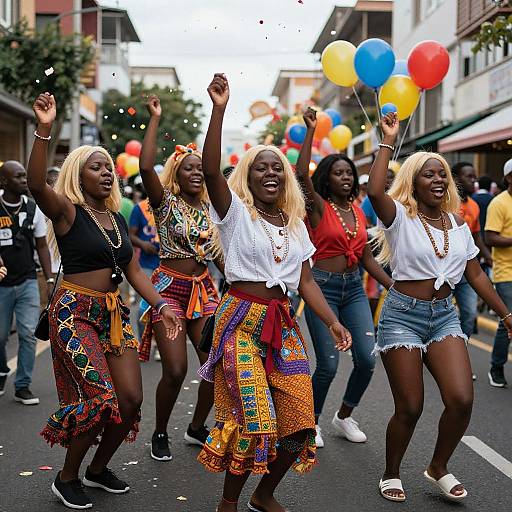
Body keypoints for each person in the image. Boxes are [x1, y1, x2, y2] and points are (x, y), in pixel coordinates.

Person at [197, 74, 351, 512]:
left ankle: (264, 495)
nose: (270, 172)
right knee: (256, 421)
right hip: (240, 321)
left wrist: (332, 321)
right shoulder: (235, 215)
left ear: (285, 179)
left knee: (302, 421)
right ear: (248, 175)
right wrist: (219, 110)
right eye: (261, 166)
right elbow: (210, 170)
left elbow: (305, 282)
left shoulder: (298, 226)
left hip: (281, 323)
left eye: (276, 167)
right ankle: (229, 502)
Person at [27, 92, 180, 510]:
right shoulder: (67, 211)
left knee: (131, 399)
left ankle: (97, 470)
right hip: (73, 314)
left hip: (113, 315)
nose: (106, 173)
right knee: (100, 397)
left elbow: (132, 271)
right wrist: (44, 128)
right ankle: (67, 476)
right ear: (79, 174)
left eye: (109, 167)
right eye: (96, 167)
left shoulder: (114, 219)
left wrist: (162, 305)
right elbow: (36, 183)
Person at [368, 112, 512, 503]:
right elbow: (376, 191)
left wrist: (505, 313)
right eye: (429, 174)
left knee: (462, 399)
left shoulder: (457, 223)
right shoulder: (400, 217)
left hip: (443, 316)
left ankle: (438, 467)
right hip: (402, 316)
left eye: (442, 175)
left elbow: (476, 276)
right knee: (410, 406)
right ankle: (391, 471)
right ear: (413, 182)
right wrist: (387, 139)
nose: (438, 180)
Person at [295, 108, 393, 448]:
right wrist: (310, 131)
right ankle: (312, 421)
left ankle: (344, 415)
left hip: (353, 291)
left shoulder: (356, 210)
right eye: (338, 173)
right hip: (320, 289)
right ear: (327, 178)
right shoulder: (319, 206)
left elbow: (366, 257)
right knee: (328, 364)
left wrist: (394, 287)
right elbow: (300, 176)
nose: (346, 178)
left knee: (367, 358)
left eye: (349, 173)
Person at [138, 94, 222, 462]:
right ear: (177, 173)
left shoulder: (211, 207)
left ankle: (196, 427)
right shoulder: (165, 202)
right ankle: (159, 431)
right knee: (175, 369)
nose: (197, 172)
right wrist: (154, 119)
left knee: (215, 364)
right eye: (189, 167)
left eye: (200, 168)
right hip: (169, 289)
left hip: (203, 289)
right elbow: (144, 169)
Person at [0, 160, 53, 405]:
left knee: (28, 334)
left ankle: (23, 385)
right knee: (0, 336)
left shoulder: (34, 208)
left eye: (24, 176)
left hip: (28, 281)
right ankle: (2, 370)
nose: (24, 180)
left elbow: (42, 244)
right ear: (4, 181)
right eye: (18, 177)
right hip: (1, 285)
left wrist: (50, 277)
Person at [451, 163, 493, 365]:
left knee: (468, 316)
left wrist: (488, 256)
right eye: (468, 176)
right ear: (456, 179)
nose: (473, 181)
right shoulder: (446, 202)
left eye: (474, 177)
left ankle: (458, 359)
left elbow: (476, 237)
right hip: (445, 273)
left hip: (467, 272)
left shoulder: (474, 206)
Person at [485, 159, 512, 388]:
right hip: (506, 273)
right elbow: (490, 237)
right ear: (509, 177)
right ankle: (496, 366)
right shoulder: (498, 203)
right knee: (508, 320)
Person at [128, 197, 160, 339]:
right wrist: (143, 244)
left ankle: (160, 344)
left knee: (165, 305)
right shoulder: (139, 208)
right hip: (146, 265)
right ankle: (144, 340)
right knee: (145, 305)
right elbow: (130, 235)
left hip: (168, 266)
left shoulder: (174, 206)